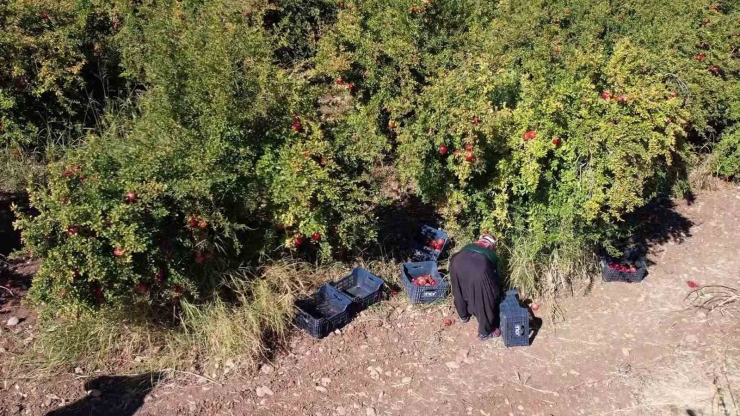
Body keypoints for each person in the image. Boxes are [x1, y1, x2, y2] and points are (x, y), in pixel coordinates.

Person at [449, 233, 504, 341]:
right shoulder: (491, 254)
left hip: (455, 261)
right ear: (491, 245)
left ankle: (463, 316)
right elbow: (497, 277)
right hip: (478, 268)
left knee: (458, 289)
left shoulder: (469, 246)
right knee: (484, 297)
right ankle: (485, 332)